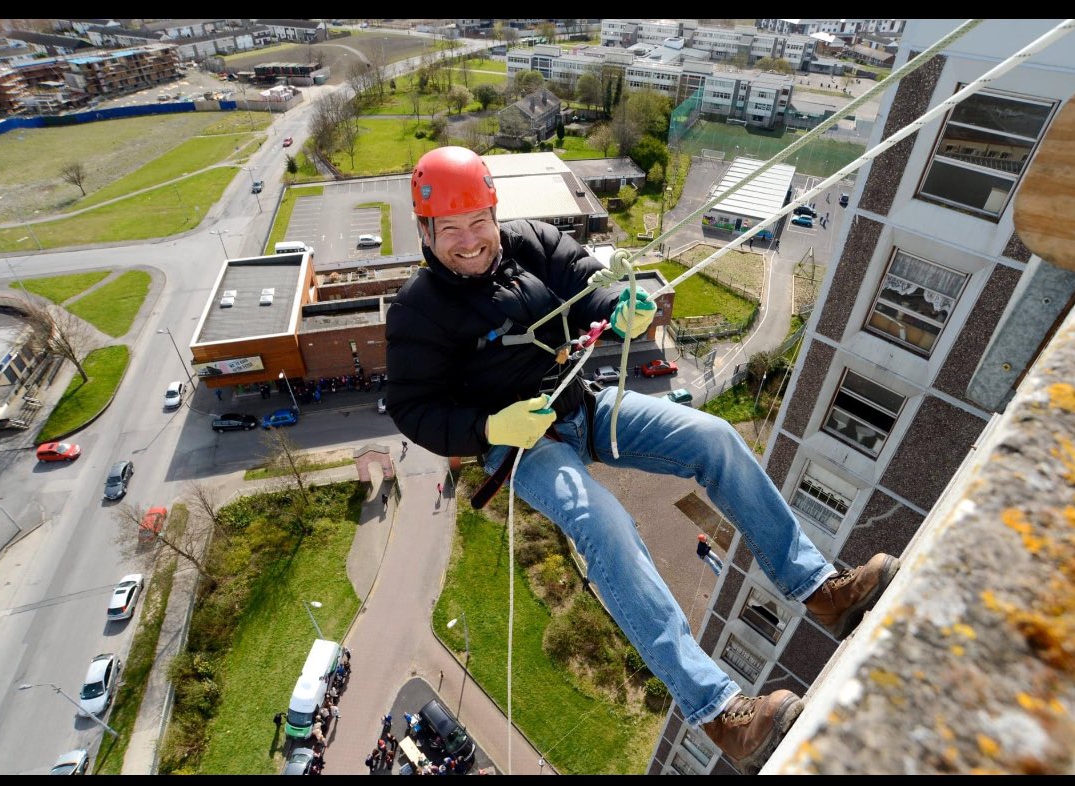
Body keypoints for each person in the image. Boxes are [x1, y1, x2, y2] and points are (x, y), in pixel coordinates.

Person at [385, 146, 900, 772]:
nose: (470, 242)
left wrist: (621, 310)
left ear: (495, 213)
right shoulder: (417, 311)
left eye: (478, 222)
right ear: (426, 233)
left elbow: (589, 285)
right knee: (604, 524)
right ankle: (719, 714)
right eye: (450, 230)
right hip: (524, 445)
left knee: (713, 438)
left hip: (583, 406)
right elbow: (413, 409)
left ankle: (820, 589)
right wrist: (488, 424)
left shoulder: (531, 245)